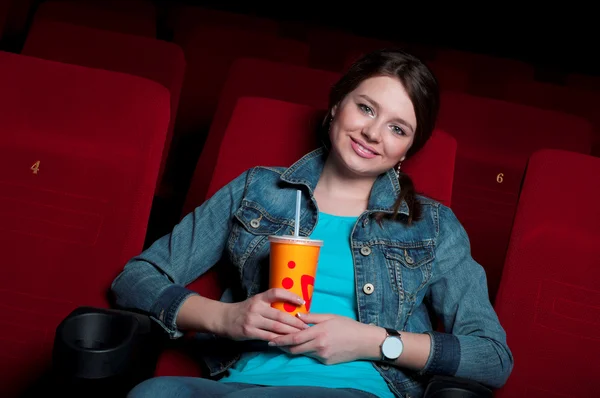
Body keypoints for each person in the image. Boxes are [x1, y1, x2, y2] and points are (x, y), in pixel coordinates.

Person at [112, 49, 513, 398]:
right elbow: (135, 278)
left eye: (397, 129)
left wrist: (375, 342)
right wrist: (226, 317)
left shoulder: (433, 226)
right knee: (154, 390)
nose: (372, 133)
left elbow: (492, 357)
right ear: (337, 105)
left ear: (408, 148)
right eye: (366, 108)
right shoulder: (258, 189)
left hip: (357, 389)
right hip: (240, 381)